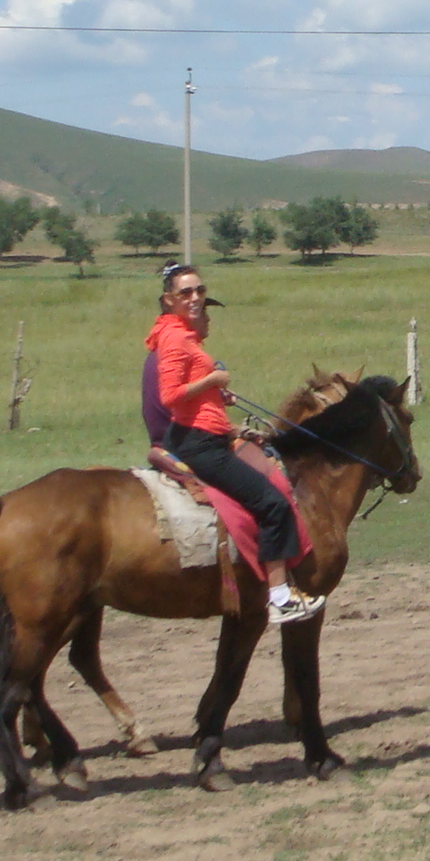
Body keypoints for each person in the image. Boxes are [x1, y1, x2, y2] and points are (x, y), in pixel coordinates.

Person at [145, 262, 323, 625]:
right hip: (200, 442)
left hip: (200, 433)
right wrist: (214, 377)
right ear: (169, 300)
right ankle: (279, 597)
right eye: (185, 293)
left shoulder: (178, 333)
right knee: (272, 504)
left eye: (199, 290)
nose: (195, 298)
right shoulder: (177, 338)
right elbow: (171, 396)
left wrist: (214, 392)